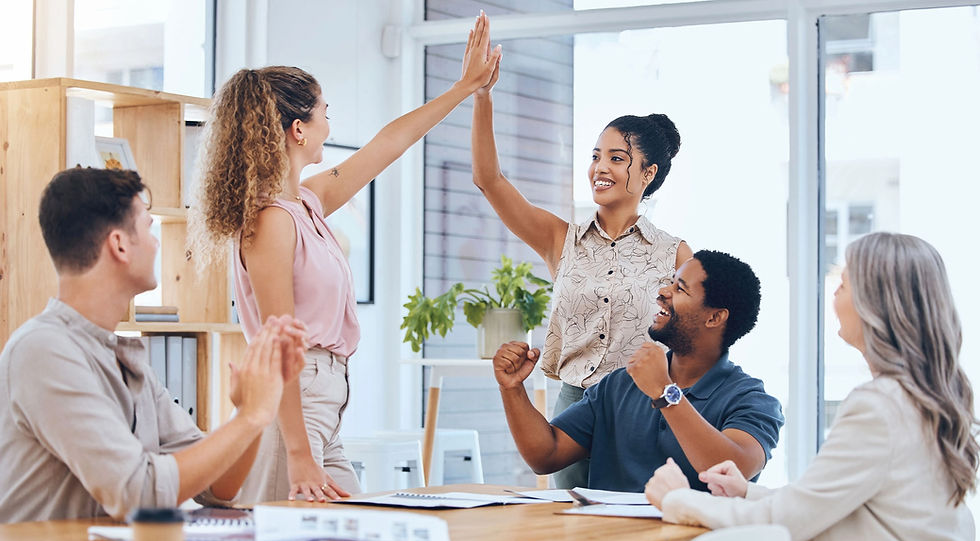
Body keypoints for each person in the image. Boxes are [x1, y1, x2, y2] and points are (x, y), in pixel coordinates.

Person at [189, 14, 501, 503]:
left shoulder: (306, 203)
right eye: (323, 111)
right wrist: (297, 453)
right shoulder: (271, 221)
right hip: (293, 412)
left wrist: (465, 88)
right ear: (298, 129)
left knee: (362, 528)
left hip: (325, 409)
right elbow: (279, 346)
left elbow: (388, 143)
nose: (328, 123)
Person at [0, 168, 306, 522]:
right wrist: (251, 416)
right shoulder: (43, 351)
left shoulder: (123, 359)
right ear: (119, 244)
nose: (156, 241)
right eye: (148, 227)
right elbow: (137, 494)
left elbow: (219, 486)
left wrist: (253, 410)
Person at [646, 233, 978, 541]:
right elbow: (831, 503)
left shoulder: (878, 408)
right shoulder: (921, 400)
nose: (834, 293)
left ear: (876, 304)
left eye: (844, 284)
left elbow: (783, 523)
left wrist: (680, 499)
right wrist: (747, 493)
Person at [471, 47, 693, 489]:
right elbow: (489, 180)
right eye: (596, 156)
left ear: (647, 173)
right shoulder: (561, 239)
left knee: (633, 523)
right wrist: (482, 97)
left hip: (642, 405)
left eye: (616, 158)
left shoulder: (676, 255)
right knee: (571, 522)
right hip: (574, 403)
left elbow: (697, 341)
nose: (599, 168)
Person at [493, 250, 783, 492]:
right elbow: (547, 454)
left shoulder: (751, 400)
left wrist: (664, 393)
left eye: (680, 288)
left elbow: (733, 470)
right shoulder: (620, 384)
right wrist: (512, 388)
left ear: (715, 317)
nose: (663, 292)